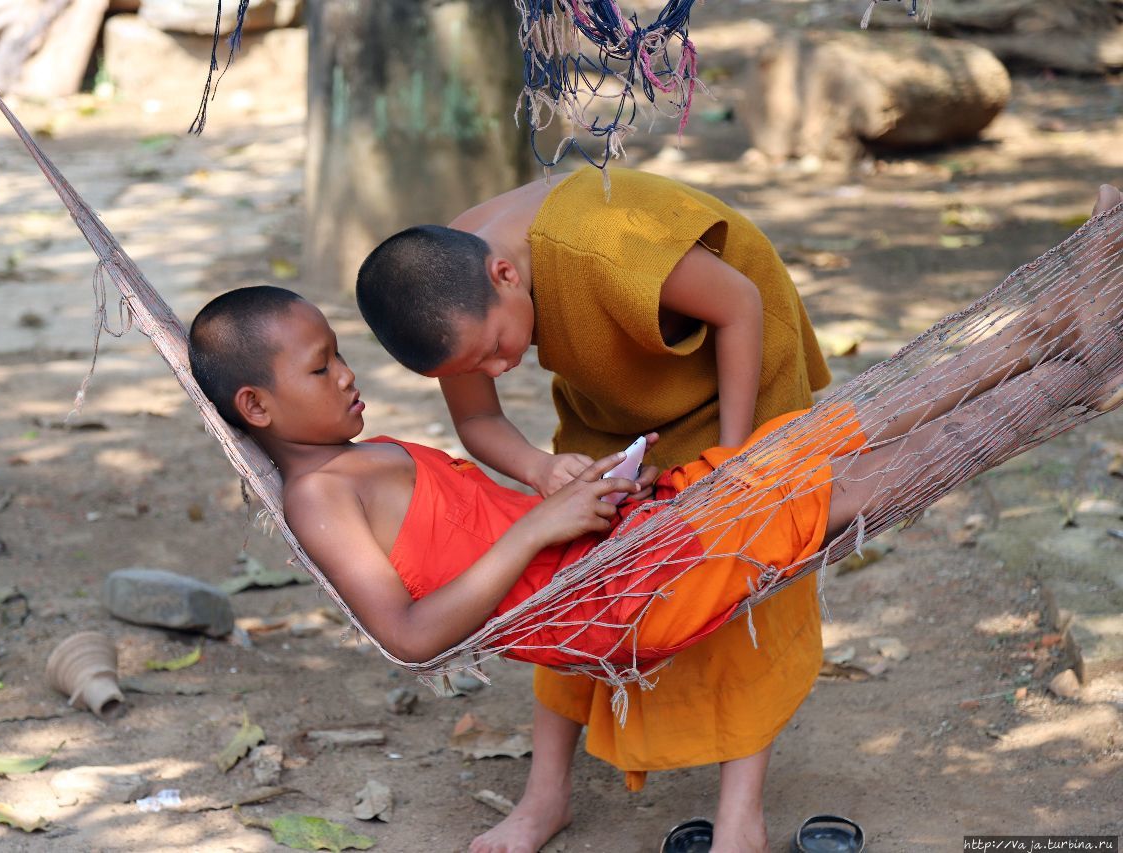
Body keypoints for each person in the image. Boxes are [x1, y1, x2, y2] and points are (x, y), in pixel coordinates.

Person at [189, 191, 1121, 847]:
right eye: (319, 369)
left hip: (614, 552)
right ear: (258, 409)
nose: (346, 376)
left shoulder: (355, 448)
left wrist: (561, 502)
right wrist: (541, 526)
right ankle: (1065, 363)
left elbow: (483, 498)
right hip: (615, 600)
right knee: (832, 486)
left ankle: (1056, 337)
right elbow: (407, 635)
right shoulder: (319, 494)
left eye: (337, 355)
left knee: (817, 447)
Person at [355, 166, 832, 853]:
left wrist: (731, 467)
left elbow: (741, 305)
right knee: (570, 577)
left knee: (738, 567)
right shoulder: (447, 289)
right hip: (615, 401)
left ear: (506, 275)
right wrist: (543, 469)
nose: (497, 369)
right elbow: (480, 422)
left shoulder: (600, 245)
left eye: (496, 349)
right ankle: (545, 797)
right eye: (473, 365)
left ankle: (739, 820)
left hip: (737, 373)